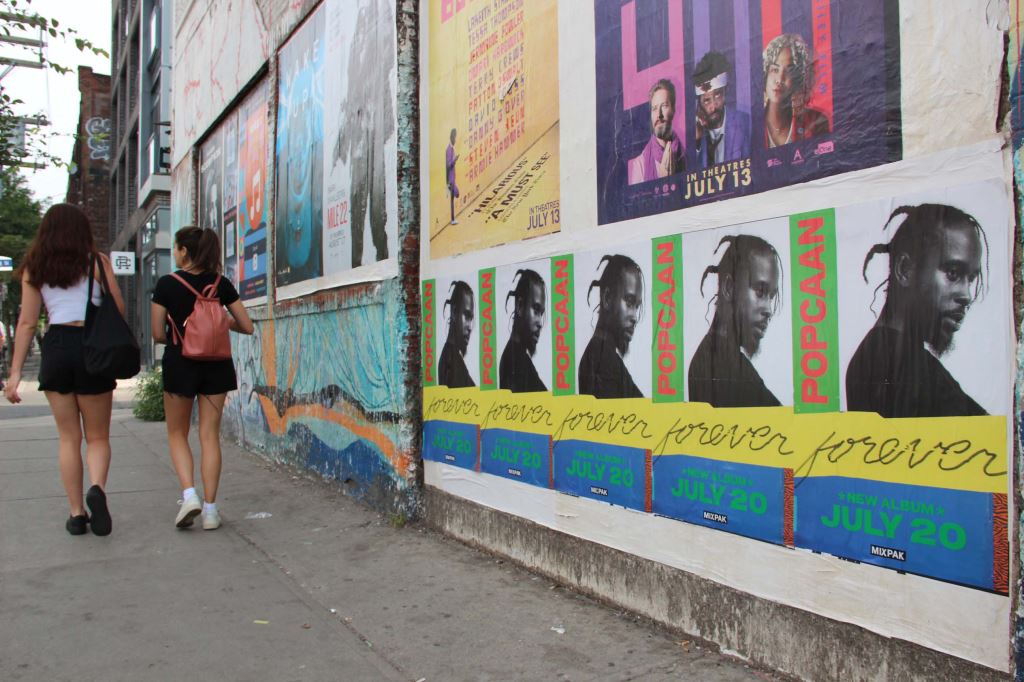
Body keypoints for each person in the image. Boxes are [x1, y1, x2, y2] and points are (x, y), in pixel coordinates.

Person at [3, 204, 124, 536]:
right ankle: (97, 488)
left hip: (57, 347)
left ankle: (76, 514)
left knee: (68, 438)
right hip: (93, 348)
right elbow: (119, 308)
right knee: (97, 436)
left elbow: (27, 323)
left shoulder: (35, 267)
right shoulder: (97, 262)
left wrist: (15, 374)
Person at [151, 226, 254, 530]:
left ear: (184, 251)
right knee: (209, 436)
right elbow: (247, 326)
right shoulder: (222, 284)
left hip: (180, 364)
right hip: (217, 366)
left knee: (177, 433)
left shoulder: (167, 284)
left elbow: (158, 333)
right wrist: (220, 320)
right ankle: (210, 510)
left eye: (176, 247)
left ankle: (189, 495)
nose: (174, 252)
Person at [846, 204, 987, 418]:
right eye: (952, 273)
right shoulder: (892, 360)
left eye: (971, 279)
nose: (966, 295)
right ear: (905, 270)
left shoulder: (885, 356)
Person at [332, 0, 394, 267]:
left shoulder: (380, 24)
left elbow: (387, 56)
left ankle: (382, 253)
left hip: (374, 124)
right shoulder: (357, 39)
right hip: (359, 128)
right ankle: (357, 262)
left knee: (377, 200)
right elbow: (350, 85)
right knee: (358, 196)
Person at [689, 235, 783, 408]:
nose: (768, 310)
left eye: (771, 296)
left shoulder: (713, 358)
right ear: (729, 288)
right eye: (760, 292)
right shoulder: (725, 368)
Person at [578, 255, 644, 399]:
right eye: (629, 302)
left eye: (637, 306)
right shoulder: (603, 361)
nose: (635, 317)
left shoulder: (603, 356)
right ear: (607, 298)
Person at [762, 33, 830, 149]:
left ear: (797, 80)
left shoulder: (816, 122)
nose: (779, 80)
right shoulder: (750, 126)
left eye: (788, 71)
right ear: (766, 74)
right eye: (774, 69)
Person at [693, 51, 751, 167]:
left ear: (725, 92)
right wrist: (697, 141)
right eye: (707, 100)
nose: (713, 106)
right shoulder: (695, 135)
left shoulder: (744, 122)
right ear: (699, 103)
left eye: (717, 95)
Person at [628, 79, 685, 185]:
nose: (659, 115)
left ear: (673, 110)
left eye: (664, 106)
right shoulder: (640, 165)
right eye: (654, 108)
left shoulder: (686, 157)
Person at [499, 269, 547, 393]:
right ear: (520, 306)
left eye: (541, 314)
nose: (540, 323)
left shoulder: (517, 358)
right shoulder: (515, 362)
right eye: (536, 310)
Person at [438, 280, 475, 388]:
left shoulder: (453, 357)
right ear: (454, 312)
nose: (470, 327)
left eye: (471, 319)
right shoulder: (451, 361)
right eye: (467, 316)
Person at [446, 128, 460, 225]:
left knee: (455, 196)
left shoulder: (451, 149)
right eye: (455, 137)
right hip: (450, 179)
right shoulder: (449, 150)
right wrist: (455, 160)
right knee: (454, 196)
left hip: (452, 178)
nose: (455, 140)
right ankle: (452, 219)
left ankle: (453, 218)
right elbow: (448, 165)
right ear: (452, 137)